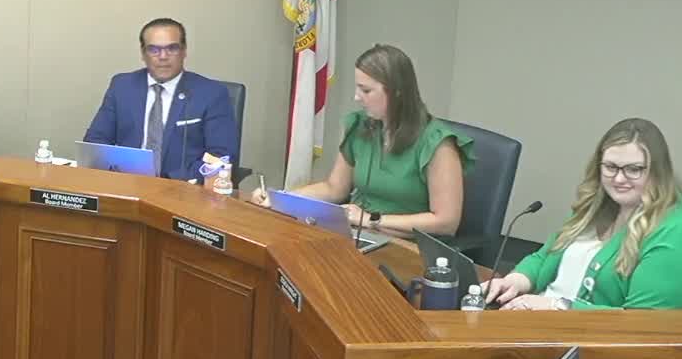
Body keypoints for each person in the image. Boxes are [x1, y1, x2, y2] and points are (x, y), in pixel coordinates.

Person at [483, 118, 682, 310]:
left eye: (634, 169)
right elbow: (546, 256)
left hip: (593, 343)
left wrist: (558, 307)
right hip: (541, 321)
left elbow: (642, 324)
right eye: (611, 167)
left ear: (658, 171)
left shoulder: (681, 233)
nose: (619, 179)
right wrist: (516, 280)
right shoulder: (599, 204)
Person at [249, 43, 470, 237]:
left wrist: (372, 219)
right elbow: (334, 188)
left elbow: (446, 222)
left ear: (397, 92)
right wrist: (281, 199)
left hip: (407, 246)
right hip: (357, 234)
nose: (356, 97)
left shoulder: (438, 144)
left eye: (366, 90)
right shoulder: (360, 126)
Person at [81, 18, 239, 180]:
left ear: (184, 51)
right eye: (153, 49)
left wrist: (166, 182)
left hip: (181, 188)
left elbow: (221, 157)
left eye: (172, 48)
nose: (163, 56)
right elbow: (95, 142)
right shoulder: (122, 86)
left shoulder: (211, 93)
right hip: (127, 183)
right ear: (143, 54)